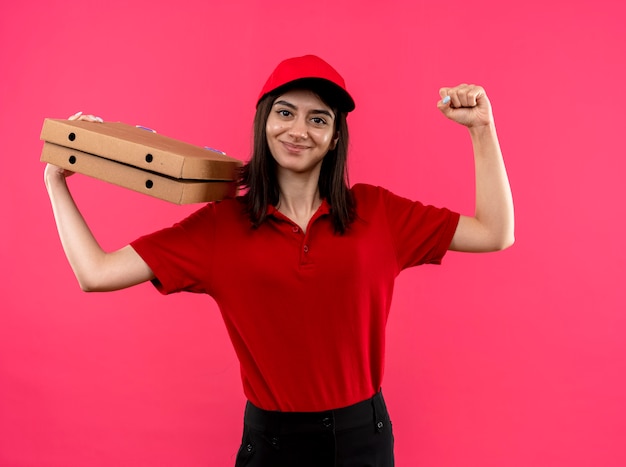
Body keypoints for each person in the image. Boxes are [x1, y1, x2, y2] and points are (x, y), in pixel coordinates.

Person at [44, 54, 514, 467]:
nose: (297, 130)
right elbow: (96, 273)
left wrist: (482, 129)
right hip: (273, 443)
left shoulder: (379, 213)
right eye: (285, 113)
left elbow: (495, 233)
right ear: (264, 122)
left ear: (334, 139)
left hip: (362, 439)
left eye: (318, 119)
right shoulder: (220, 226)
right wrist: (57, 181)